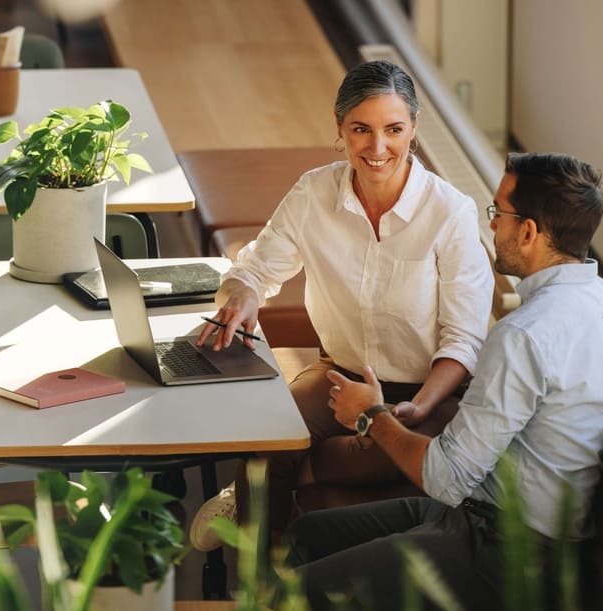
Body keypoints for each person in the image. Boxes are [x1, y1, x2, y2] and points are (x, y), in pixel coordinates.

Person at [285, 152, 603, 610]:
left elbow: (445, 476)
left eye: (498, 214)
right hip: (489, 517)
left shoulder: (522, 335)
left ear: (529, 231)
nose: (492, 225)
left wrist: (371, 416)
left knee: (291, 593)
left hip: (507, 552)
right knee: (305, 534)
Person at [189, 60, 495, 551]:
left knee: (377, 452)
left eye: (394, 130)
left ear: (414, 128)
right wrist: (243, 295)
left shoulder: (450, 213)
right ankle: (259, 585)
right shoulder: (314, 193)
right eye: (361, 129)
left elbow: (464, 341)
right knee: (265, 433)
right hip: (339, 377)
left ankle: (288, 476)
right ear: (340, 129)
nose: (378, 148)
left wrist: (411, 410)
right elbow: (254, 270)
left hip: (431, 391)